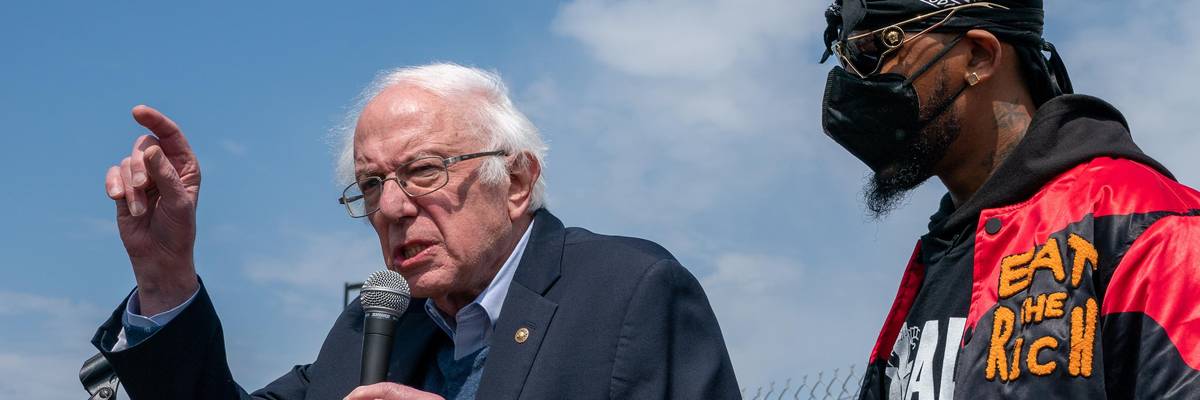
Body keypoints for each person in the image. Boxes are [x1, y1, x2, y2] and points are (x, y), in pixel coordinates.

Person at [91, 63, 740, 399]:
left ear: (515, 181)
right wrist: (165, 274)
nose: (394, 207)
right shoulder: (368, 330)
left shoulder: (628, 293)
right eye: (371, 185)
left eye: (424, 171)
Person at [818, 1, 1200, 399]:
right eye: (847, 60)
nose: (854, 84)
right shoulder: (939, 257)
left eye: (874, 50)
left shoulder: (1145, 223)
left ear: (980, 57)